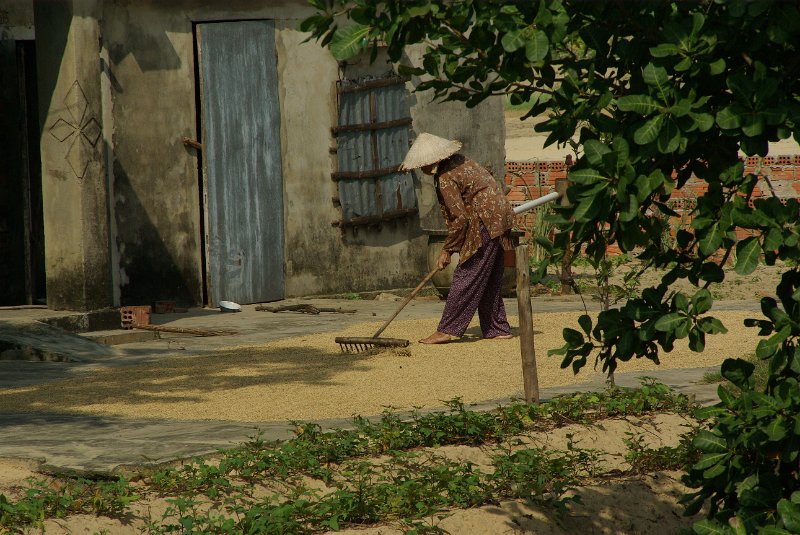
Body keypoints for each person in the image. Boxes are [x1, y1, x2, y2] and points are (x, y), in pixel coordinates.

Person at [399, 132, 515, 344]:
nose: (422, 169)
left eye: (422, 165)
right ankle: (497, 328)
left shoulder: (445, 177)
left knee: (467, 274)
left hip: (486, 221)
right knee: (488, 277)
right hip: (501, 218)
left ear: (433, 160)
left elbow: (459, 217)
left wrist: (447, 250)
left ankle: (448, 329)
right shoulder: (462, 161)